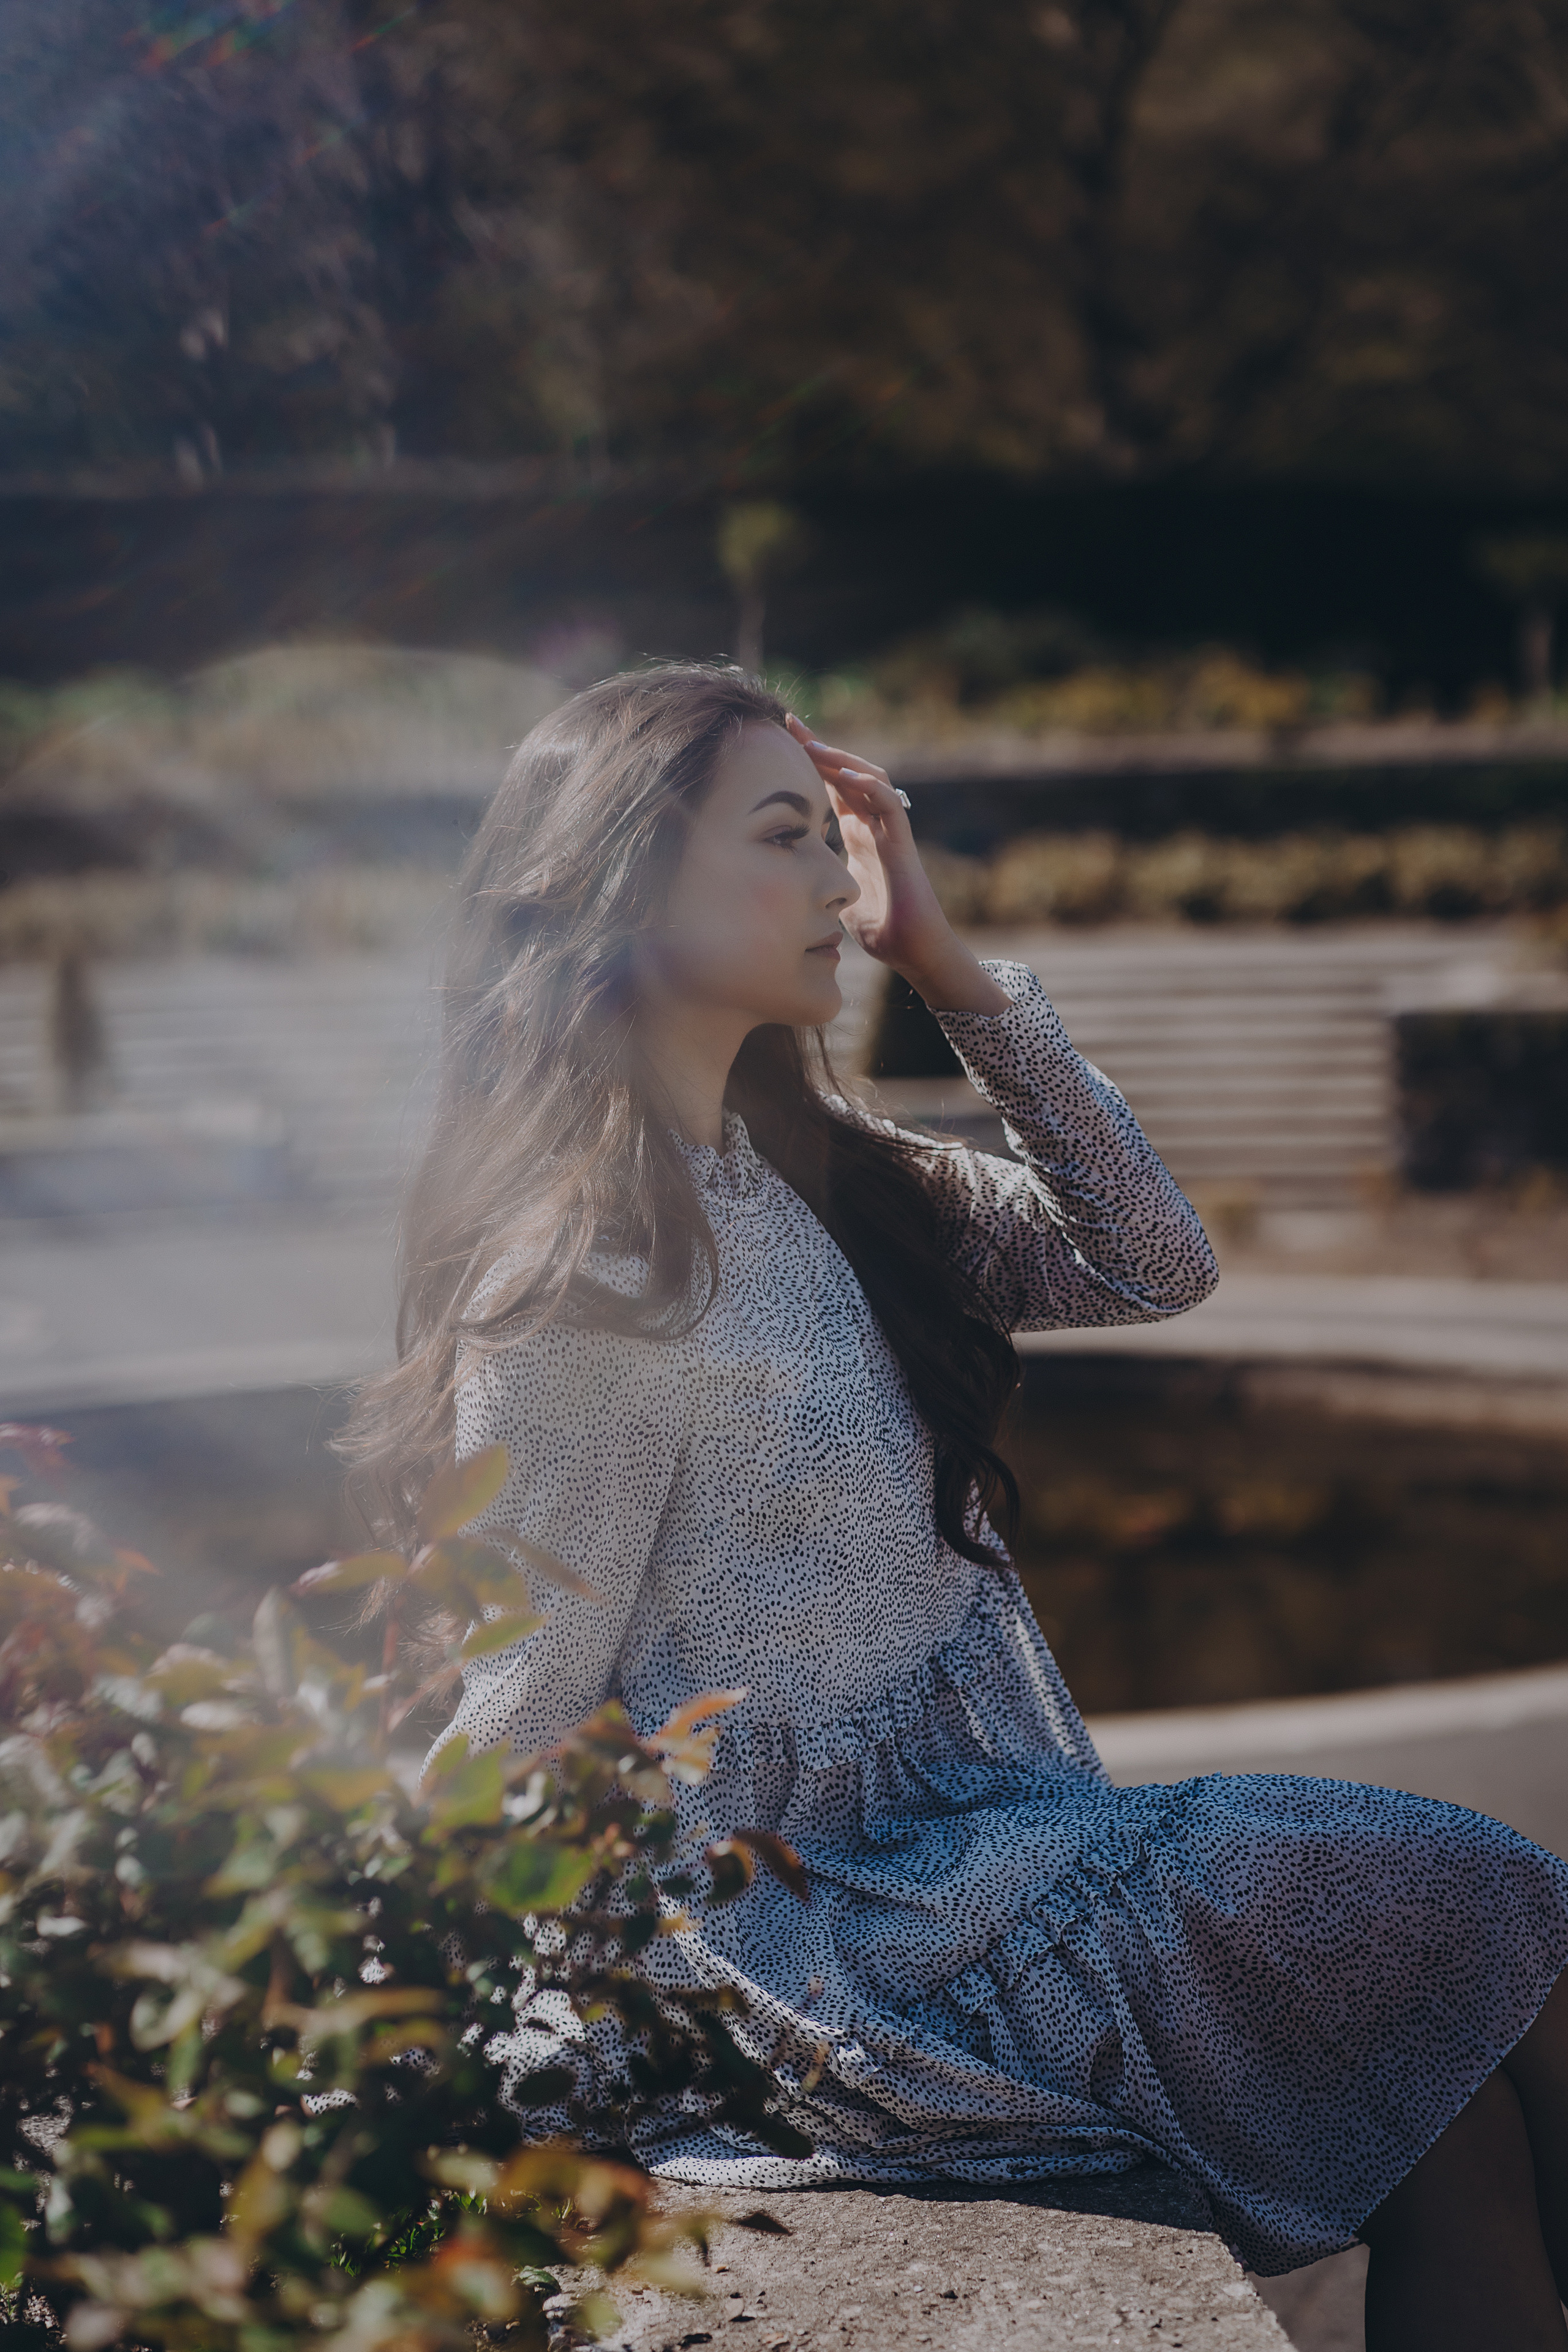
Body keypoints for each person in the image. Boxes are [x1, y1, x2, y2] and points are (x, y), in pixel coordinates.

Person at [344, 664, 1568, 2352]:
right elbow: (518, 1703)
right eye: (792, 840)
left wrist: (956, 970)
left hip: (989, 1852)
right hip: (828, 1933)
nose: (847, 886)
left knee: (1458, 2118)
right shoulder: (582, 1281)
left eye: (843, 847)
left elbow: (1155, 1264)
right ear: (625, 874)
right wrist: (359, 2014)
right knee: (1486, 1896)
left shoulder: (822, 1168)